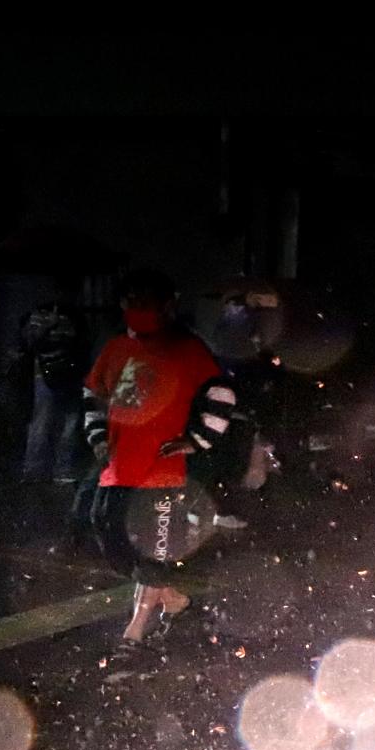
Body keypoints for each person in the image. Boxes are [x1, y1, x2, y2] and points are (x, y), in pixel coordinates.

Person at [81, 268, 228, 646]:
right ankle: (173, 598)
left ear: (167, 306)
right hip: (119, 467)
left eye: (148, 302)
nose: (139, 308)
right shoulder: (116, 348)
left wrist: (197, 440)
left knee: (155, 550)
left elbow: (221, 393)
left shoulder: (188, 349)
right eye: (133, 301)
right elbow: (94, 395)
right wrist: (98, 438)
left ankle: (135, 632)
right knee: (107, 531)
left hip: (164, 470)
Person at [18, 283, 91, 483]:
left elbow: (83, 343)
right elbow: (30, 341)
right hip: (45, 372)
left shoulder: (76, 316)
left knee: (70, 422)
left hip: (72, 373)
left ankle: (62, 470)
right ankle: (33, 470)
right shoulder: (40, 313)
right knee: (42, 421)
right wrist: (48, 325)